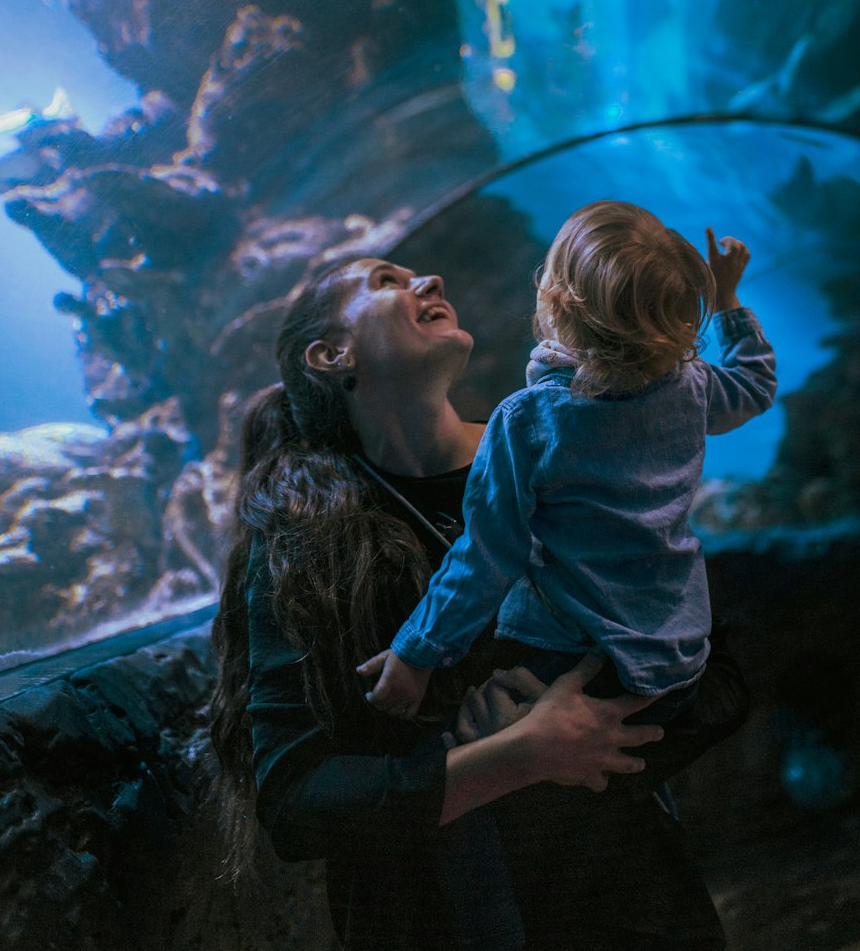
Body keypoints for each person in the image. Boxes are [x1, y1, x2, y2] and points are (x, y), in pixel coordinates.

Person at [209, 251, 751, 951]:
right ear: (330, 353)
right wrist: (519, 755)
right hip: (436, 920)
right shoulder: (309, 544)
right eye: (387, 281)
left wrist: (597, 715)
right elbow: (297, 804)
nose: (429, 281)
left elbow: (722, 675)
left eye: (421, 275)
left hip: (623, 896)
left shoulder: (564, 444)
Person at [356, 205, 775, 948]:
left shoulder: (529, 422)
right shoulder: (687, 386)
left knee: (507, 789)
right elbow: (752, 384)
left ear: (556, 301)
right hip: (679, 655)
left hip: (575, 658)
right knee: (628, 839)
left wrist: (417, 653)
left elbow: (487, 558)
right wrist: (729, 302)